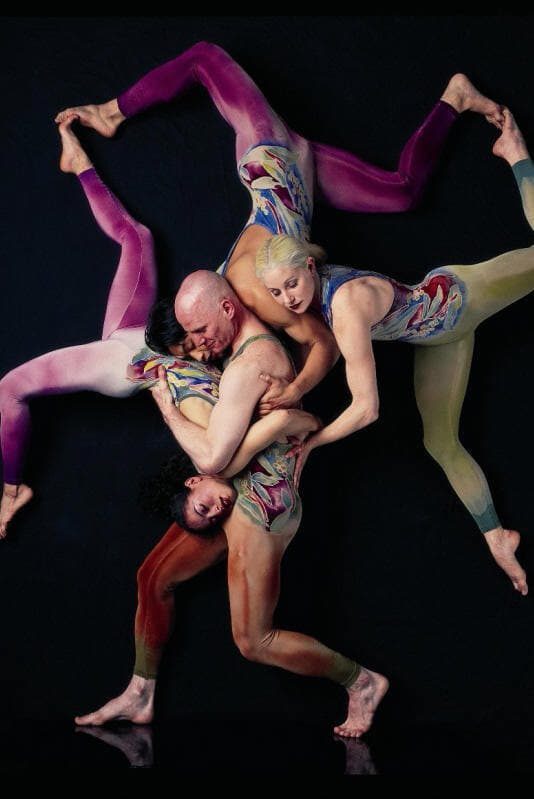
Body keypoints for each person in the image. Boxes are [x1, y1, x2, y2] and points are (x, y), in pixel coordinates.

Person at [55, 41, 503, 415]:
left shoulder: (251, 299)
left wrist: (297, 389)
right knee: (404, 192)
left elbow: (323, 343)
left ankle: (110, 113)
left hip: (270, 157)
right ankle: (456, 97)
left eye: (196, 341)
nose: (205, 350)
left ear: (216, 310)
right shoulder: (221, 306)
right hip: (304, 186)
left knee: (205, 57)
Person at [255, 109, 533, 596]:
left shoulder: (345, 305)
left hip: (461, 297)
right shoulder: (319, 300)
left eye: (291, 284)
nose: (287, 299)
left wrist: (313, 444)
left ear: (309, 267)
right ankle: (498, 537)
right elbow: (333, 353)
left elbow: (367, 409)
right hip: (439, 339)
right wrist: (294, 388)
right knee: (440, 442)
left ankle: (516, 154)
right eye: (276, 293)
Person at [75, 355, 389, 738]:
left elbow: (300, 422)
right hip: (240, 477)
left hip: (262, 502)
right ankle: (141, 693)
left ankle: (361, 681)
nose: (214, 510)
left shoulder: (222, 424)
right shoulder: (211, 448)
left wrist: (165, 399)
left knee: (254, 642)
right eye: (207, 514)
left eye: (203, 508)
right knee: (151, 577)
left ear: (194, 482)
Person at [0, 119, 208, 538]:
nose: (204, 349)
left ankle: (11, 491)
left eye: (198, 342)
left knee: (8, 388)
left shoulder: (171, 363)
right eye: (192, 344)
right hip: (125, 346)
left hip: (125, 356)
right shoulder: (161, 349)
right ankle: (78, 162)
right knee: (139, 237)